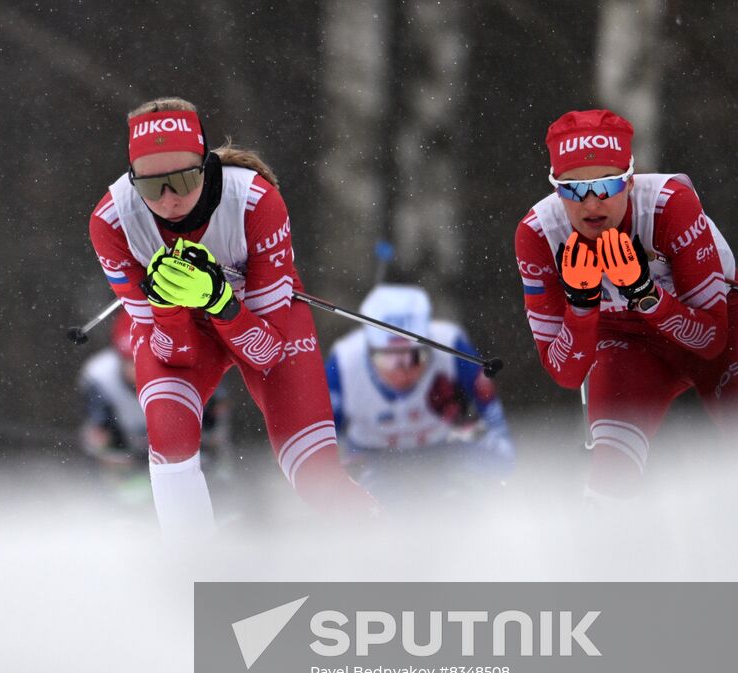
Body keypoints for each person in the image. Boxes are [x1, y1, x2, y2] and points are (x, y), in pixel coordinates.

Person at [88, 96, 375, 537]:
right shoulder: (112, 221)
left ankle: (390, 551)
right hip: (185, 332)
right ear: (132, 181)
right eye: (150, 187)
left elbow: (268, 352)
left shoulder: (255, 201)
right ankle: (193, 573)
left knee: (313, 471)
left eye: (183, 180)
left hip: (260, 320)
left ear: (204, 165)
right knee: (169, 441)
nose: (168, 200)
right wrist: (167, 306)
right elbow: (174, 353)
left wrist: (221, 301)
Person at [514, 109, 738, 502]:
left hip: (720, 325)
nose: (591, 203)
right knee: (607, 485)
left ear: (629, 177)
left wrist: (645, 292)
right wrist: (580, 306)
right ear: (555, 189)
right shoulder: (539, 234)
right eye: (573, 188)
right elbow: (567, 374)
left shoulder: (668, 205)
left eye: (607, 184)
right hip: (626, 342)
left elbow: (711, 339)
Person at [326, 284, 514, 501]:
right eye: (390, 359)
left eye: (415, 357)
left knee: (464, 494)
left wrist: (494, 465)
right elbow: (323, 438)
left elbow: (494, 423)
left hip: (440, 451)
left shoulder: (451, 346)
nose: (404, 369)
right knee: (372, 504)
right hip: (373, 457)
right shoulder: (343, 364)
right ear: (370, 353)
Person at [78, 312, 233, 506]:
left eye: (142, 361)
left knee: (209, 489)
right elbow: (100, 436)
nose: (136, 370)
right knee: (130, 496)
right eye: (129, 362)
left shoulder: (190, 360)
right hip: (132, 462)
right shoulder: (100, 378)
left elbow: (215, 423)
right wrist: (119, 453)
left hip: (191, 457)